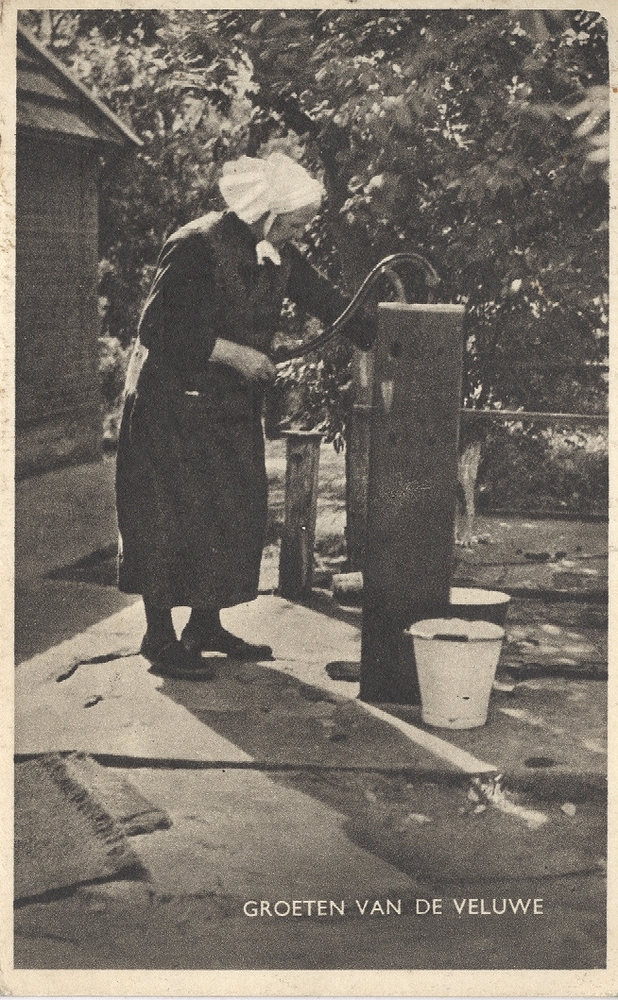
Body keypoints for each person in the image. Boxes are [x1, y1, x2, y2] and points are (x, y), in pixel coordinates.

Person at [116, 152, 376, 678]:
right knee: (168, 517)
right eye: (295, 224)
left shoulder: (278, 252)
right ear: (268, 214)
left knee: (226, 513)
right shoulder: (195, 245)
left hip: (227, 408)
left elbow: (328, 301)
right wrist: (237, 354)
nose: (300, 234)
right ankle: (159, 637)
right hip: (170, 405)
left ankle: (204, 625)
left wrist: (382, 328)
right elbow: (158, 331)